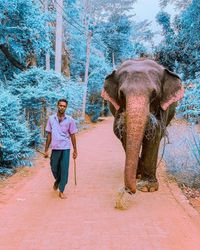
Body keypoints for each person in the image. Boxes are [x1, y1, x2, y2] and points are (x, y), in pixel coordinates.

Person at [44, 99, 78, 199]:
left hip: (66, 147)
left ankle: (61, 190)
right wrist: (46, 149)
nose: (62, 107)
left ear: (66, 107)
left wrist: (75, 150)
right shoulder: (51, 119)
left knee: (64, 169)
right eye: (60, 105)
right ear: (57, 106)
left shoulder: (70, 120)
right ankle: (58, 180)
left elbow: (72, 135)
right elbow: (49, 135)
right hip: (55, 147)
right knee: (54, 166)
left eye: (64, 106)